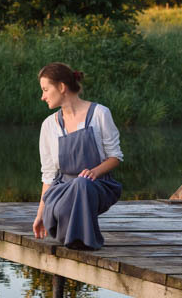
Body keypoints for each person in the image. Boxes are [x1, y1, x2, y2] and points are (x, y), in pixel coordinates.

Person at [32, 62, 122, 250]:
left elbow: (115, 157)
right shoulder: (49, 125)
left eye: (46, 90)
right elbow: (48, 176)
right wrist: (40, 214)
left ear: (62, 87)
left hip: (97, 187)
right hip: (62, 190)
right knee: (73, 188)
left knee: (82, 184)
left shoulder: (100, 114)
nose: (42, 97)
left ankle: (80, 240)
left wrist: (94, 172)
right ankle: (79, 238)